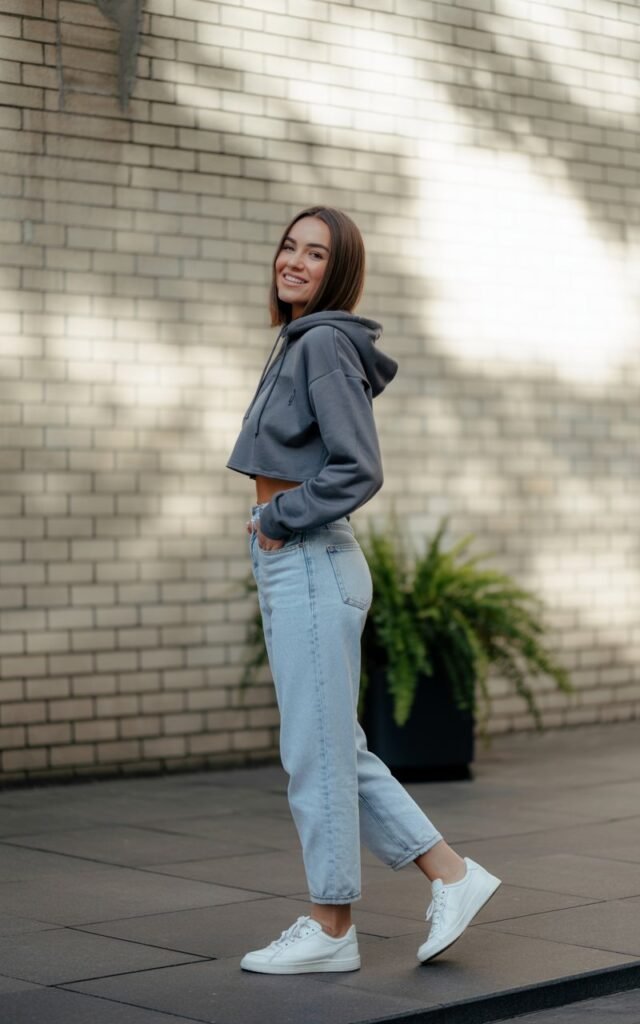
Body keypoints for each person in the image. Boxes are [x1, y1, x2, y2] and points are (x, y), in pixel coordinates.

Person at [226, 206, 501, 975]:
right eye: (288, 245)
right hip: (294, 559)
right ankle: (451, 874)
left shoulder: (319, 345)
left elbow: (358, 467)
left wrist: (279, 514)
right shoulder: (299, 343)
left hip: (310, 555)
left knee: (316, 755)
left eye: (315, 255)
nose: (294, 261)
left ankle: (332, 925)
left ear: (336, 272)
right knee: (332, 748)